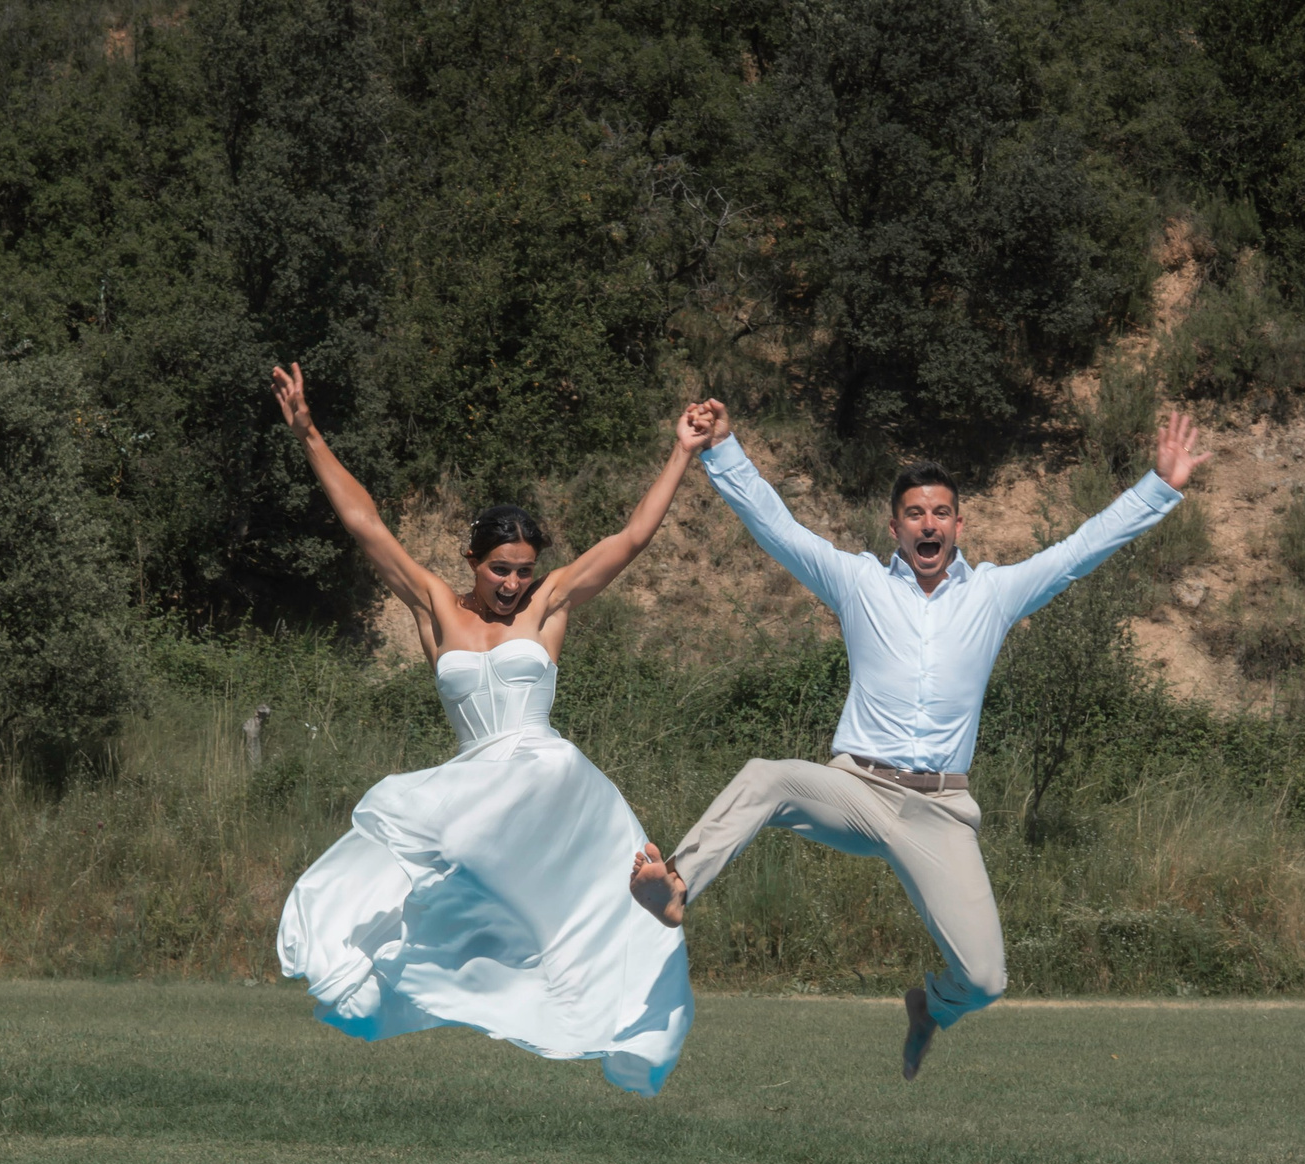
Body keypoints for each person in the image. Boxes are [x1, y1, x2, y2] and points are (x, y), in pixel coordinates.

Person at [632, 400, 1209, 1079]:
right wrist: (722, 449)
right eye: (914, 514)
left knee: (987, 979)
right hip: (857, 789)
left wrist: (1160, 487)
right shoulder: (859, 583)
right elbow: (778, 528)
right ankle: (677, 884)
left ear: (959, 524)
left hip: (940, 810)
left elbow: (1079, 550)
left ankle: (931, 1007)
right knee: (767, 775)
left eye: (940, 513)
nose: (928, 524)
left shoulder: (993, 594)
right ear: (895, 527)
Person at [270, 364, 702, 1095]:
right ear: (473, 561)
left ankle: (643, 920)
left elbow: (630, 539)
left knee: (546, 824)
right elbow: (366, 526)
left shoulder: (549, 605)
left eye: (524, 571)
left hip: (546, 778)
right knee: (436, 868)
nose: (512, 584)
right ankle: (434, 968)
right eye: (500, 569)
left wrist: (682, 451)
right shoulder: (437, 607)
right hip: (476, 782)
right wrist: (309, 433)